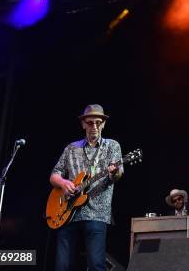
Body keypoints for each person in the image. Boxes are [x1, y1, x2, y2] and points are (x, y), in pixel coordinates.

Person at [49, 104, 123, 271]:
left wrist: (114, 172)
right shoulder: (71, 148)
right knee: (62, 266)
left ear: (103, 123)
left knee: (96, 264)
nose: (94, 127)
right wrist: (64, 183)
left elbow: (117, 175)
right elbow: (54, 175)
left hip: (97, 212)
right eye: (90, 122)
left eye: (98, 122)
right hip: (66, 213)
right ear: (83, 124)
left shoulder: (112, 146)